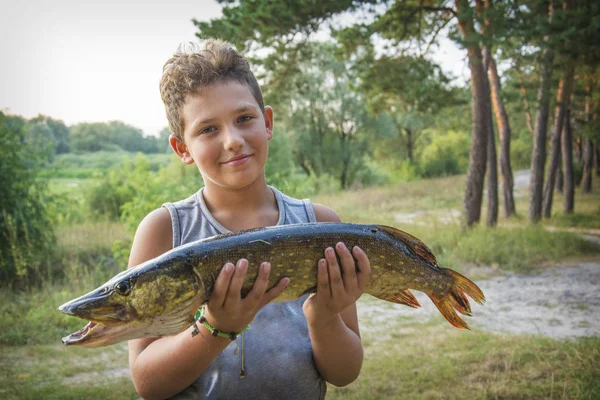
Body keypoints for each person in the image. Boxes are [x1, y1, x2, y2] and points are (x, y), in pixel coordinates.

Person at [127, 38, 372, 400]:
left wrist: (323, 317)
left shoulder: (320, 224)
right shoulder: (163, 231)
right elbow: (148, 384)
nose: (233, 140)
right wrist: (216, 327)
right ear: (182, 149)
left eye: (244, 118)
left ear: (267, 122)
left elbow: (344, 373)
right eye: (208, 129)